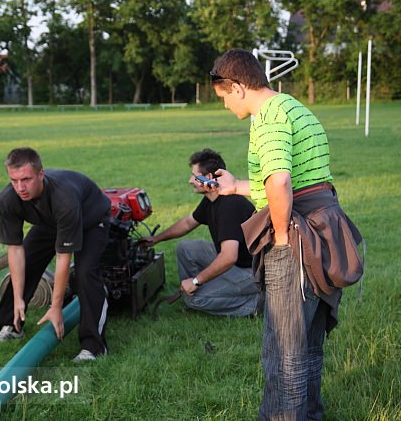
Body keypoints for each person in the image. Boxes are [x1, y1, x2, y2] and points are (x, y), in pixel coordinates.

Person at [210, 48, 362, 420]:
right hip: (323, 227)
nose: (226, 105)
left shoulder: (268, 118)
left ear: (239, 87)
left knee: (283, 351)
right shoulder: (294, 107)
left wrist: (280, 238)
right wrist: (234, 187)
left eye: (225, 97)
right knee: (307, 343)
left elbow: (280, 180)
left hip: (298, 235)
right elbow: (300, 180)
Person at [0, 147, 111, 362]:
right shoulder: (8, 198)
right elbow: (15, 250)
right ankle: (12, 324)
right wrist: (18, 298)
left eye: (26, 179)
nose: (20, 187)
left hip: (90, 220)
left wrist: (56, 307)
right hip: (51, 222)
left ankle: (94, 346)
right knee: (28, 259)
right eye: (14, 180)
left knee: (85, 273)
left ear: (41, 175)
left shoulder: (64, 198)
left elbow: (63, 257)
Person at [140, 148, 261, 316]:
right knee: (186, 248)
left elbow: (228, 257)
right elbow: (188, 222)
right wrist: (156, 239)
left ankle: (257, 304)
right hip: (235, 261)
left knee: (196, 299)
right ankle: (196, 292)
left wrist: (196, 281)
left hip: (251, 271)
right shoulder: (212, 198)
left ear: (209, 178)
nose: (190, 180)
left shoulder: (230, 206)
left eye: (194, 176)